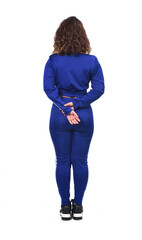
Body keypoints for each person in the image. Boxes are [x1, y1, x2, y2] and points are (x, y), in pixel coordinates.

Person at [44, 16, 104, 221]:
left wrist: (65, 108)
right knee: (80, 161)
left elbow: (48, 89)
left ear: (60, 36)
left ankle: (63, 206)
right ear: (83, 37)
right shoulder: (92, 61)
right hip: (84, 115)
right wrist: (77, 105)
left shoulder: (53, 60)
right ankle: (77, 206)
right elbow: (99, 89)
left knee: (62, 161)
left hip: (60, 115)